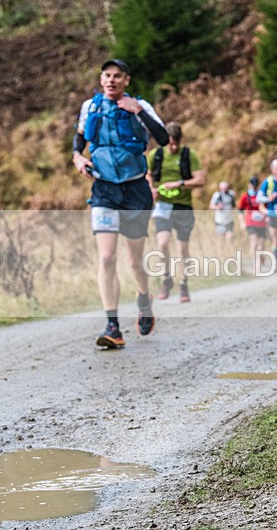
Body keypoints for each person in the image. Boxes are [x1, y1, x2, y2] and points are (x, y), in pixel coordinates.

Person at [72, 59, 169, 349]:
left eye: (117, 76)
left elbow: (163, 138)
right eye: (107, 76)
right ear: (101, 79)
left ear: (126, 80)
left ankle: (143, 298)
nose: (111, 80)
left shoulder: (140, 106)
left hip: (135, 190)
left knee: (134, 261)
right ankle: (112, 325)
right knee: (106, 258)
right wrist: (78, 157)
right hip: (103, 189)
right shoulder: (90, 106)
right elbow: (78, 140)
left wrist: (137, 110)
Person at [148, 122, 206, 302]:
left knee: (183, 249)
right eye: (170, 143)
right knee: (162, 243)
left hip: (183, 205)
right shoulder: (155, 155)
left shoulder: (189, 155)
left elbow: (200, 179)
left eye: (176, 143)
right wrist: (151, 189)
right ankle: (166, 278)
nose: (173, 147)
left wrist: (180, 183)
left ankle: (184, 284)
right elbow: (147, 174)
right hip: (163, 205)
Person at [237, 176, 268, 273]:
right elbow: (240, 211)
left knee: (261, 245)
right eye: (252, 185)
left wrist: (267, 216)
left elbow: (267, 207)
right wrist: (242, 223)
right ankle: (256, 265)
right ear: (249, 185)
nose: (254, 187)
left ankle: (261, 257)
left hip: (262, 223)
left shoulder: (262, 195)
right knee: (253, 243)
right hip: (250, 223)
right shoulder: (245, 196)